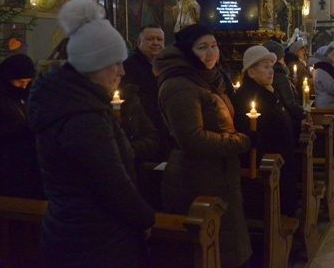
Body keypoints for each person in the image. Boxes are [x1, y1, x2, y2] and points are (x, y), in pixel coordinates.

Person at [28, 0, 155, 267]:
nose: (122, 70)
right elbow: (112, 183)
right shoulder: (83, 117)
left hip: (78, 234)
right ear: (93, 65)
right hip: (94, 242)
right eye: (115, 62)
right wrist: (145, 219)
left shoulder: (72, 101)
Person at [153, 24, 252, 268]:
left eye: (214, 46)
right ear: (188, 51)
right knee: (210, 251)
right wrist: (241, 141)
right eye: (202, 48)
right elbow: (192, 139)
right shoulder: (179, 84)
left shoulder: (210, 77)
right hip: (195, 178)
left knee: (227, 246)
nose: (211, 53)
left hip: (219, 175)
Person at [233, 46, 299, 217]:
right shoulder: (249, 97)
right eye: (265, 67)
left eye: (271, 66)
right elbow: (258, 131)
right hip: (268, 165)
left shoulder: (267, 91)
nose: (271, 71)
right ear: (252, 72)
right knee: (274, 209)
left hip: (280, 160)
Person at [0, 54, 45, 200]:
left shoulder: (25, 93)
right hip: (4, 166)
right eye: (19, 81)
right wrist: (24, 130)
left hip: (29, 164)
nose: (24, 85)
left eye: (27, 81)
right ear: (7, 77)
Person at [123, 24, 171, 160]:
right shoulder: (129, 67)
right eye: (150, 39)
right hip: (145, 129)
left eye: (159, 39)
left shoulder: (170, 65)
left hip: (167, 128)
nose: (156, 43)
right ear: (139, 42)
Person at [262, 40, 305, 137]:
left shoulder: (278, 74)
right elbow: (289, 103)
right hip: (286, 125)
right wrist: (304, 113)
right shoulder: (279, 75)